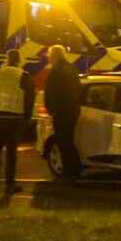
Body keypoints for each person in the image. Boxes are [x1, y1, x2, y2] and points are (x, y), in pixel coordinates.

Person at [0, 49, 34, 193]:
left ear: (7, 59)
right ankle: (9, 184)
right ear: (19, 60)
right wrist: (27, 117)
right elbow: (29, 98)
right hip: (16, 119)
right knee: (11, 154)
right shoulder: (24, 76)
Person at [44, 44, 82, 181]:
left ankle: (69, 171)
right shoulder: (72, 69)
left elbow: (50, 94)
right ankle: (75, 168)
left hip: (61, 112)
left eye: (49, 56)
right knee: (69, 141)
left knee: (63, 142)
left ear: (54, 56)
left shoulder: (56, 72)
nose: (48, 58)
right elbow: (79, 89)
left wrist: (51, 110)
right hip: (72, 111)